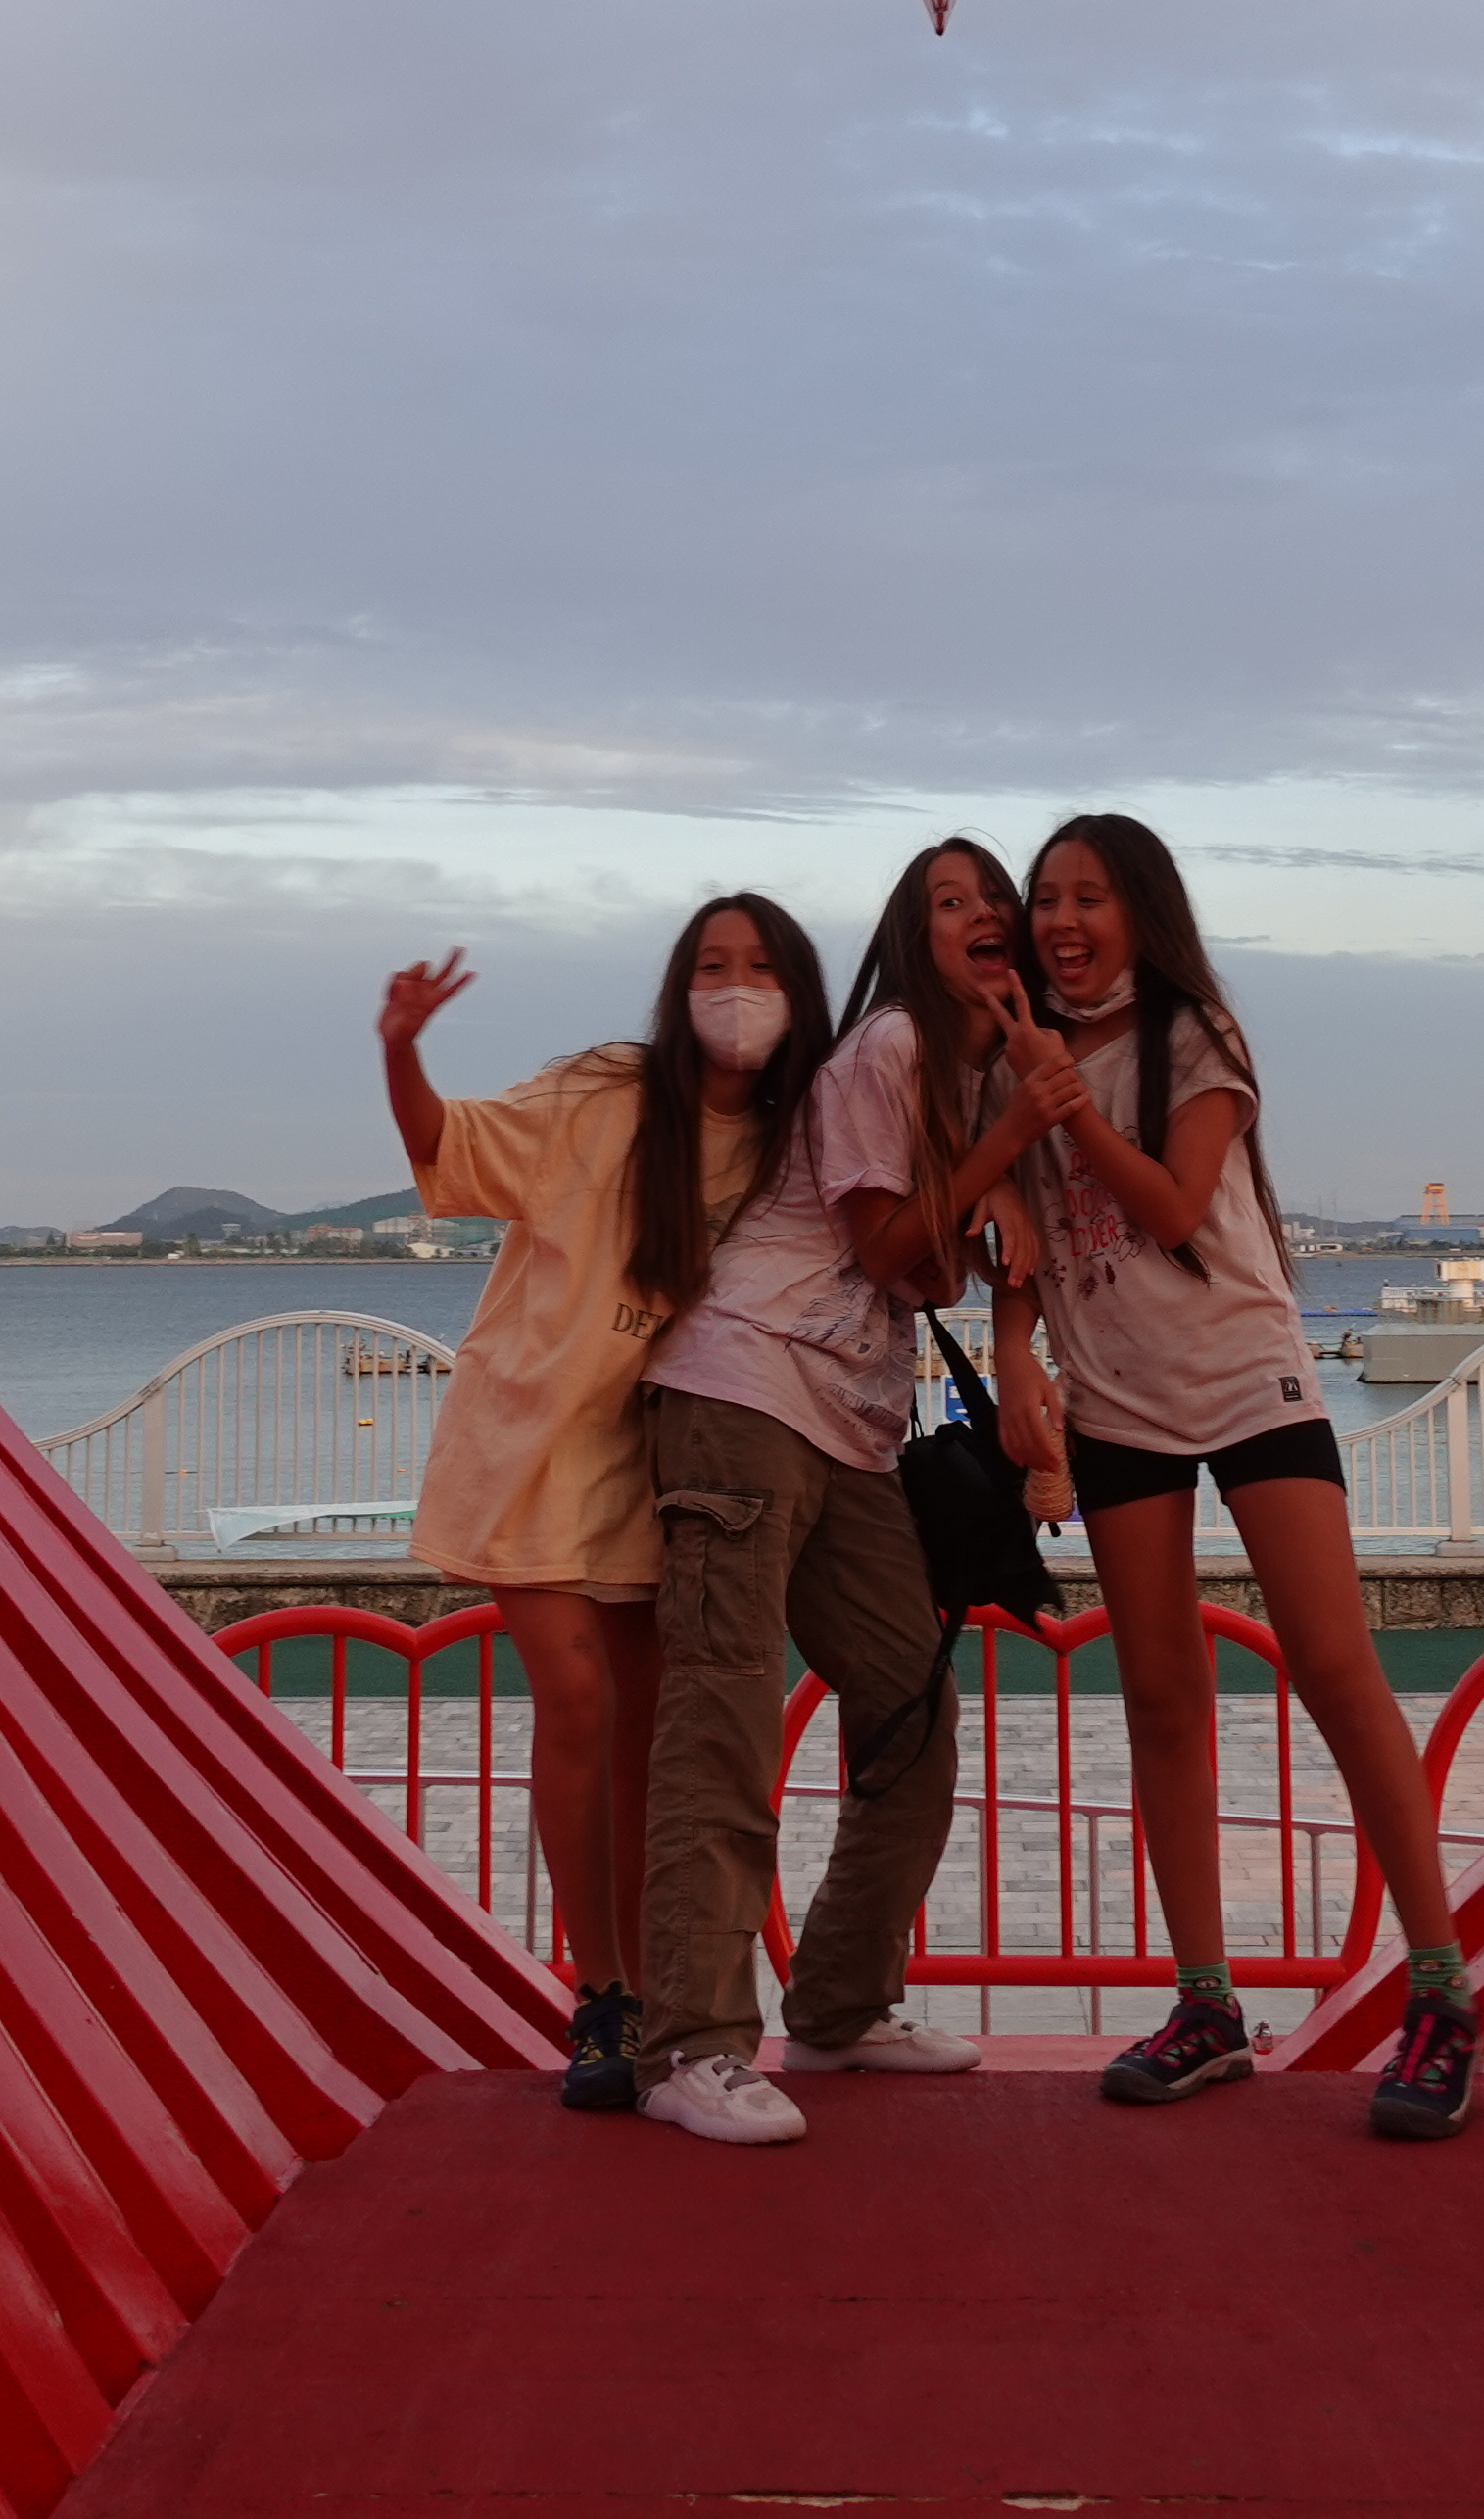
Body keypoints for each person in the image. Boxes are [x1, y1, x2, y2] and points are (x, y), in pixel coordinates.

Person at [1008, 811, 1484, 2140]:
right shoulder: (1022, 1056)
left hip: (1244, 1375)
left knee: (1334, 1666)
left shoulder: (1193, 1034)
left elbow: (1172, 1208)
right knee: (1161, 1698)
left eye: (1090, 897)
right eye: (1047, 897)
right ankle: (1206, 2004)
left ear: (1141, 912)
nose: (1063, 921)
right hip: (1116, 1403)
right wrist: (1015, 1353)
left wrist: (1060, 1098)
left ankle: (1440, 1990)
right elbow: (1023, 1231)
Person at [621, 848, 1066, 2144]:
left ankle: (837, 2006)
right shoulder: (890, 1046)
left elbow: (962, 1261)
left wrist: (1009, 1264)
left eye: (993, 897)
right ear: (911, 941)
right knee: (724, 1711)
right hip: (742, 1391)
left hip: (851, 1425)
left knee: (909, 1706)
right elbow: (885, 1247)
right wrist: (1005, 1150)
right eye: (948, 903)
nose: (981, 915)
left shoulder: (985, 1076)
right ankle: (689, 2045)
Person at [385, 901, 821, 2111]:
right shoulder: (602, 1097)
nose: (736, 989)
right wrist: (401, 1050)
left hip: (666, 1463)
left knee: (648, 1732)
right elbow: (449, 1144)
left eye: (762, 968)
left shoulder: (797, 1139)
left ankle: (658, 1991)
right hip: (530, 1447)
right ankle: (601, 1994)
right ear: (679, 987)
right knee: (577, 1702)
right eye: (713, 966)